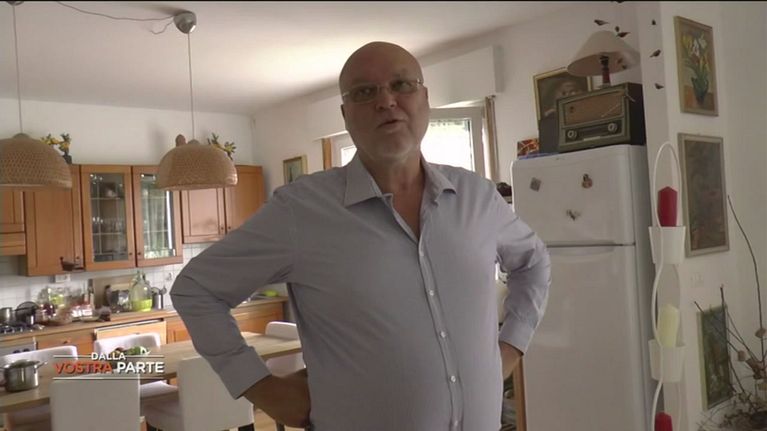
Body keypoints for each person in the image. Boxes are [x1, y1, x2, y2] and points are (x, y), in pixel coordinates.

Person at [170, 41, 551, 431]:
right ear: (345, 115)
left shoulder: (477, 197)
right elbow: (195, 288)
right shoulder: (300, 211)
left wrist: (511, 346)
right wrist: (259, 386)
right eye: (365, 91)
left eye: (401, 84)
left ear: (425, 99)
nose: (386, 101)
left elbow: (534, 262)